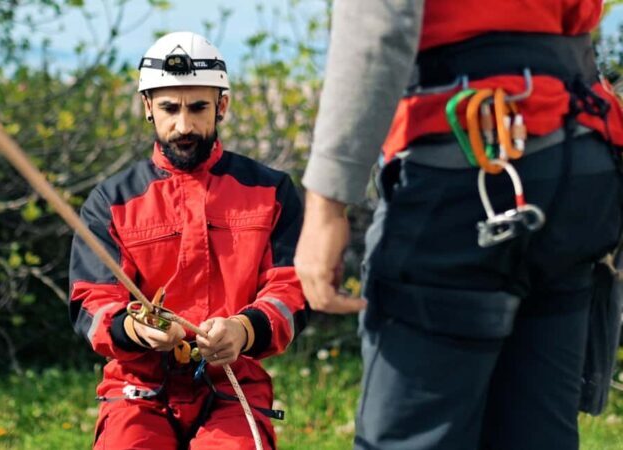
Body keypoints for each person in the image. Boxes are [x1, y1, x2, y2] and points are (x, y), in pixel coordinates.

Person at [294, 1, 623, 449]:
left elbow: (380, 22)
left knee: (412, 437)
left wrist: (326, 205)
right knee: (536, 433)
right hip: (575, 167)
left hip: (462, 173)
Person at [69, 31, 308, 450]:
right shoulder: (110, 202)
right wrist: (135, 328)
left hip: (235, 387)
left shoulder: (272, 192)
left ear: (222, 105)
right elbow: (91, 303)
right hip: (138, 388)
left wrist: (243, 329)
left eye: (198, 107)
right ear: (147, 107)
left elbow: (292, 290)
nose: (184, 125)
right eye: (169, 108)